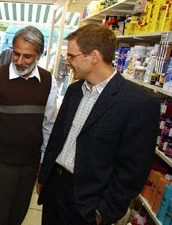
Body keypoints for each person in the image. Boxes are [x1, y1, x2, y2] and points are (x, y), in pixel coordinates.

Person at [37, 24, 160, 225]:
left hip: (88, 204)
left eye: (71, 56)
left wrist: (103, 212)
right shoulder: (74, 91)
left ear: (94, 56)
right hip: (55, 189)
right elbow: (57, 137)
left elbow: (134, 170)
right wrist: (44, 178)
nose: (67, 62)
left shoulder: (138, 103)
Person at [0, 26, 58, 225]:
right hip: (1, 163)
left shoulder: (49, 82)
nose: (19, 61)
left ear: (39, 55)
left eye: (27, 56)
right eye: (16, 54)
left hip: (30, 164)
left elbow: (49, 125)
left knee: (19, 213)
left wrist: (44, 161)